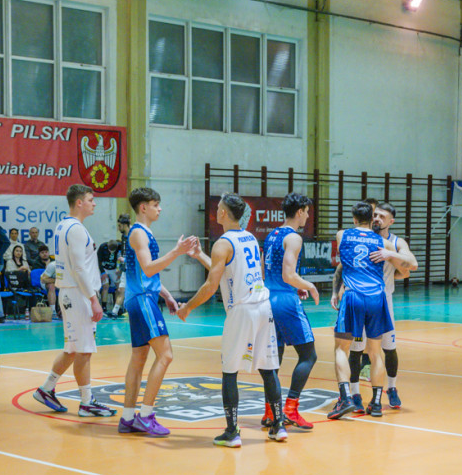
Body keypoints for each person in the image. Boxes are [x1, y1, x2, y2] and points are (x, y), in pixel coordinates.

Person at [177, 193, 287, 448]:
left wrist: (188, 308)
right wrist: (199, 255)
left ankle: (232, 431)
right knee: (268, 369)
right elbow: (232, 267)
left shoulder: (223, 243)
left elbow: (210, 284)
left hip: (242, 311)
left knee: (229, 371)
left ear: (225, 213)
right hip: (263, 306)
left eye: (219, 208)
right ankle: (279, 426)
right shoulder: (249, 237)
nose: (217, 211)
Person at [117, 187, 195, 437]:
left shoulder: (143, 232)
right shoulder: (139, 233)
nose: (160, 209)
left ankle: (128, 418)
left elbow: (146, 273)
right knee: (166, 355)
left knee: (139, 359)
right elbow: (149, 269)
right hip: (141, 301)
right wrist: (177, 251)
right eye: (156, 204)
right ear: (143, 207)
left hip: (142, 298)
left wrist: (168, 296)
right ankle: (147, 415)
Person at [32, 185, 116, 417]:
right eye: (91, 199)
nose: (94, 203)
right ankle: (87, 402)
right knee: (84, 350)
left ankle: (46, 389)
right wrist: (94, 299)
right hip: (78, 294)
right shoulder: (76, 229)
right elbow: (79, 267)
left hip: (69, 293)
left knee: (73, 348)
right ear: (79, 202)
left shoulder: (62, 225)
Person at [327, 201, 416, 420]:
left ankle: (346, 397)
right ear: (371, 218)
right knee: (374, 352)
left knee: (342, 349)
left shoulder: (342, 235)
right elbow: (411, 264)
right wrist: (388, 253)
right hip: (377, 298)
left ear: (354, 218)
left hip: (354, 296)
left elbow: (409, 266)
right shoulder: (383, 242)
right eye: (375, 216)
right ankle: (375, 403)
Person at [261, 192, 320, 431]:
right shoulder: (294, 238)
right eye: (307, 211)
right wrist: (309, 285)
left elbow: (269, 273)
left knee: (276, 355)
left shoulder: (271, 235)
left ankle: (270, 412)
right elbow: (288, 275)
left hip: (267, 297)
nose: (307, 216)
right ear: (299, 212)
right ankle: (290, 409)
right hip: (285, 301)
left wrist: (295, 286)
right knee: (308, 355)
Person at [97, 239, 121, 314]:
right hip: (104, 268)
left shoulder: (120, 246)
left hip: (113, 269)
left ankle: (117, 306)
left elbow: (120, 259)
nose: (111, 252)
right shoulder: (102, 247)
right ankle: (104, 307)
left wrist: (119, 270)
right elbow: (98, 260)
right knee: (105, 286)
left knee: (119, 287)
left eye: (113, 250)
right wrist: (102, 272)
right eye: (110, 250)